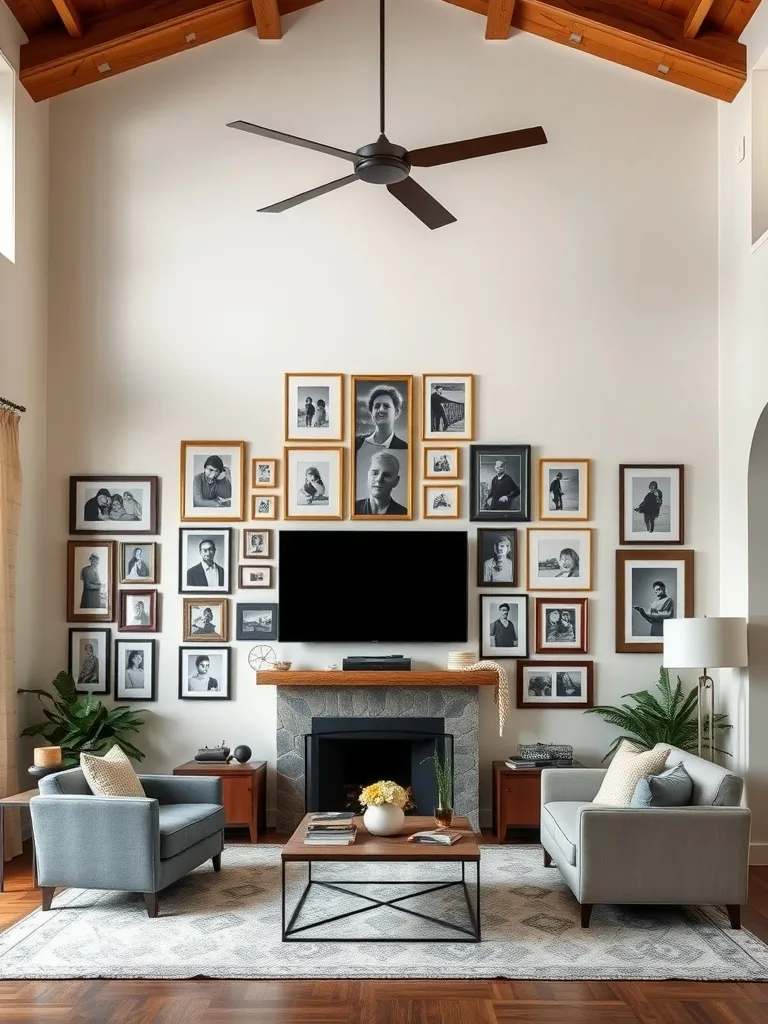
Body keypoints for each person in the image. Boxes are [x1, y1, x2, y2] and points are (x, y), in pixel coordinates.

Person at [354, 451, 408, 516]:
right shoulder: (353, 508)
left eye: (387, 475)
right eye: (375, 473)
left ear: (396, 481)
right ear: (368, 475)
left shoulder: (404, 513)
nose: (379, 479)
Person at [355, 385, 408, 451]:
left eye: (386, 406)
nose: (381, 410)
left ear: (396, 412)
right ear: (371, 412)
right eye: (377, 406)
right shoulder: (357, 443)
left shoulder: (404, 448)